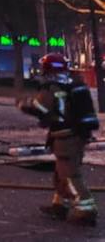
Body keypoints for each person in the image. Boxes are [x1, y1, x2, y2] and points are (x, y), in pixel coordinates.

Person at [18, 52, 99, 225]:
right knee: (61, 173)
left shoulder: (52, 87)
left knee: (69, 175)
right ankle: (60, 205)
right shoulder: (73, 84)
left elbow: (41, 108)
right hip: (77, 136)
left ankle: (86, 210)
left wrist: (23, 104)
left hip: (65, 138)